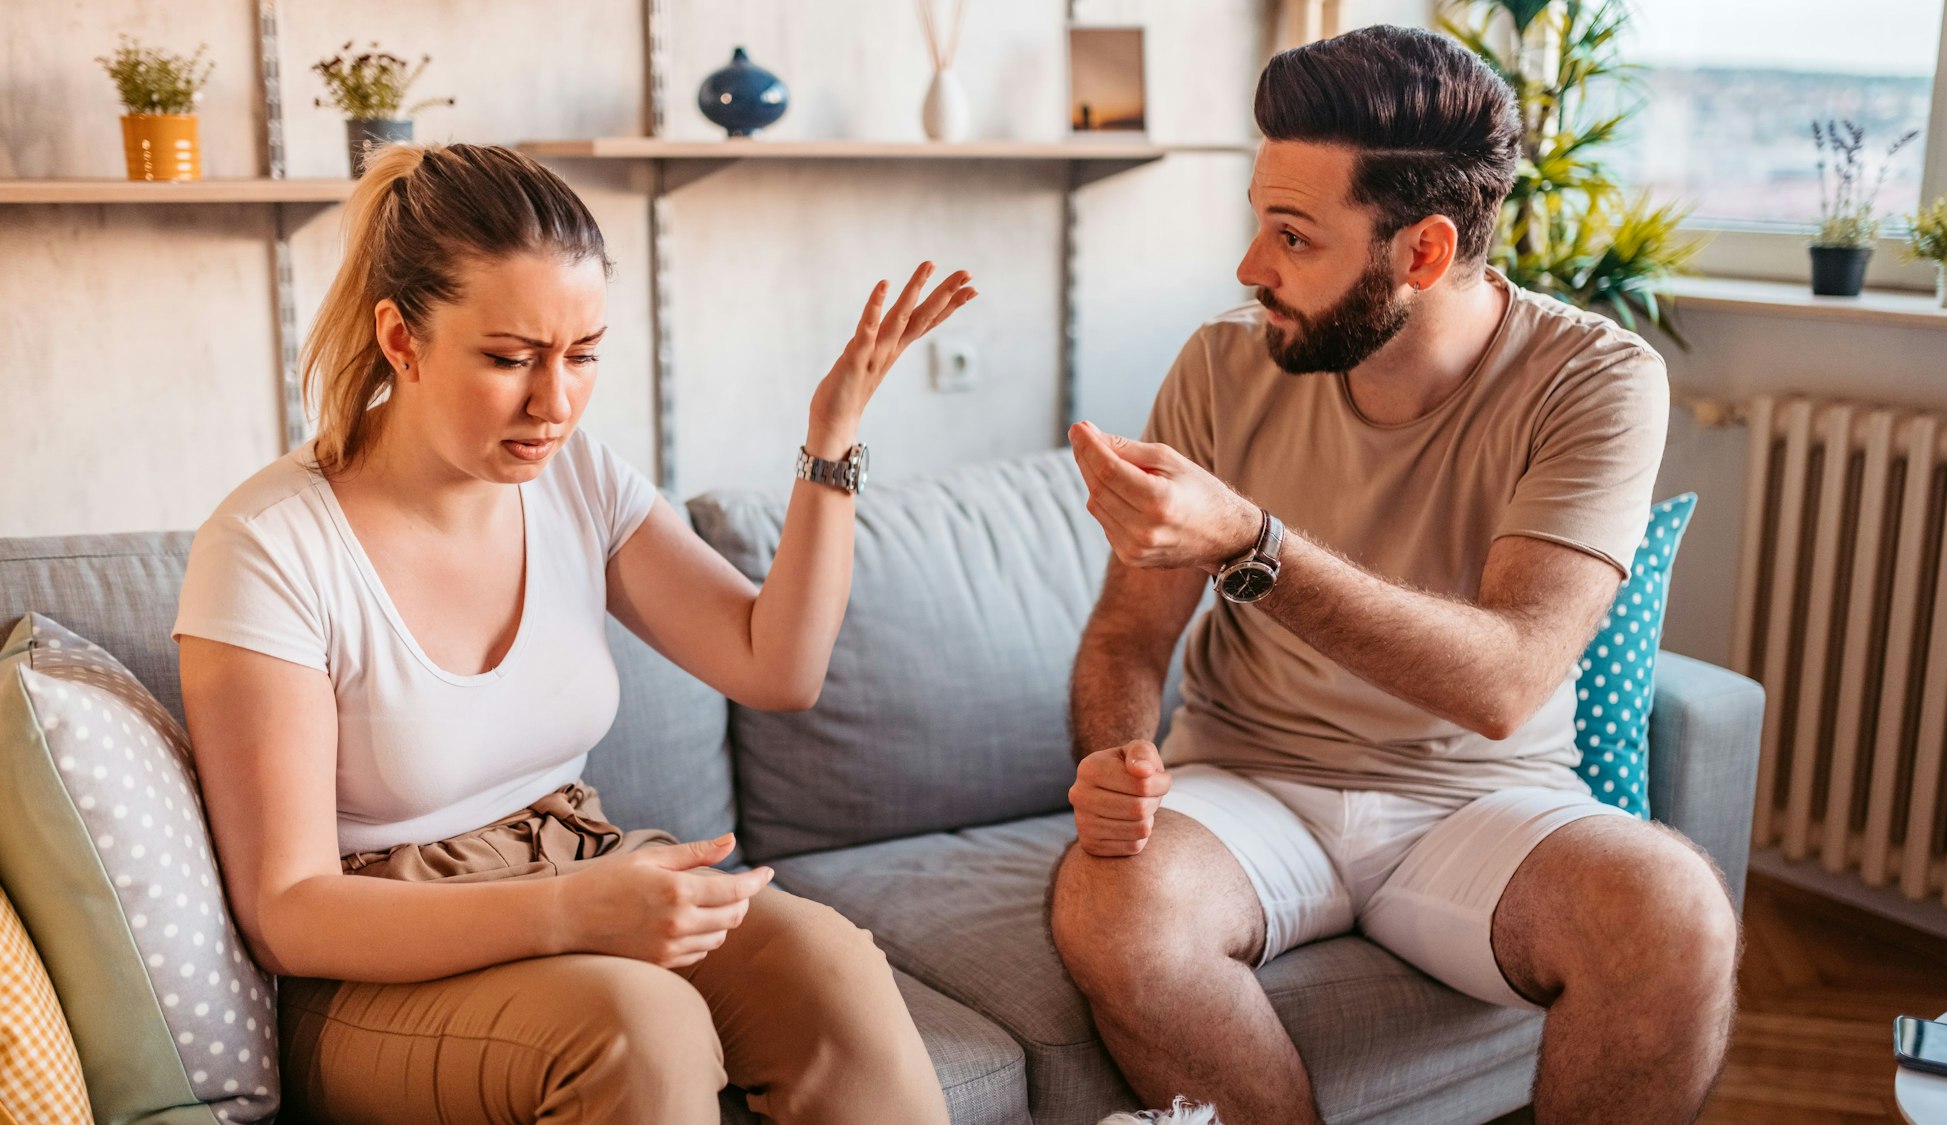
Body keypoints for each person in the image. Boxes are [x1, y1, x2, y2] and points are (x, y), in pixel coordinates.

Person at [172, 142, 974, 1124]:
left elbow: (778, 665)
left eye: (582, 354)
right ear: (401, 338)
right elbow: (288, 912)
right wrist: (570, 912)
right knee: (640, 1025)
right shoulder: (268, 546)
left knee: (827, 963)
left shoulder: (577, 477)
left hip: (575, 863)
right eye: (510, 358)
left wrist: (831, 439)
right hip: (372, 968)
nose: (553, 404)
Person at [1050, 26, 1737, 1125]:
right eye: (1257, 222)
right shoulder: (1221, 363)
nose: (1250, 267)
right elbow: (1130, 633)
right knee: (1109, 905)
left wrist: (1252, 544)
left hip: (1482, 800)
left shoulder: (1594, 381)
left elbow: (1506, 678)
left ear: (1420, 252)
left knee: (1676, 914)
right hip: (1248, 784)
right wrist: (1113, 761)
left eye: (1292, 235)